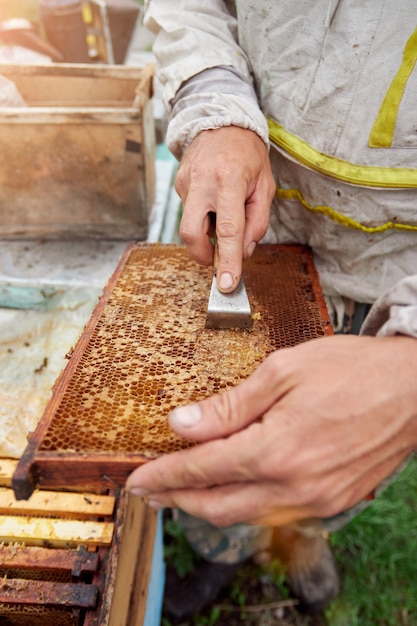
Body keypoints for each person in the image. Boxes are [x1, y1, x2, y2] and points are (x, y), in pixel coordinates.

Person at [126, 1, 417, 619]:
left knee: (337, 454)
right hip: (261, 228)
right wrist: (216, 103)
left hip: (394, 280)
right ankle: (222, 546)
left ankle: (306, 533)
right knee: (217, 431)